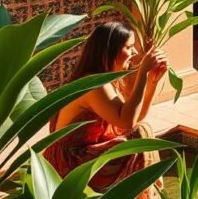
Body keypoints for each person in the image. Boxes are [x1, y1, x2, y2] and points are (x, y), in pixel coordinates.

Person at [44, 22, 168, 197]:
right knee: (141, 133)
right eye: (129, 47)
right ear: (109, 51)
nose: (133, 53)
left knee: (142, 129)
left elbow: (134, 119)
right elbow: (127, 122)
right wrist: (142, 74)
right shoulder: (95, 84)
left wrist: (152, 82)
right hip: (70, 162)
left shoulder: (108, 80)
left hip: (87, 153)